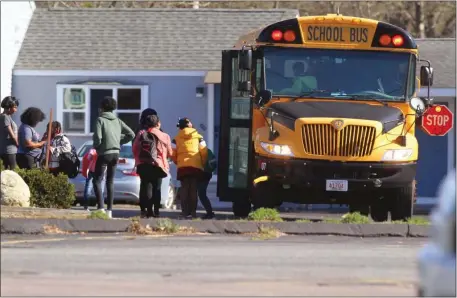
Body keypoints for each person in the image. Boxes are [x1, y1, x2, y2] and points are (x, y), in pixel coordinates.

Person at [92, 96, 135, 219]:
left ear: (102, 108)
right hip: (115, 154)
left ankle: (100, 208)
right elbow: (131, 134)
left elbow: (98, 138)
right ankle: (109, 211)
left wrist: (97, 146)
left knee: (97, 180)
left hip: (104, 153)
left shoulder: (100, 120)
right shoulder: (117, 120)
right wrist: (118, 141)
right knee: (110, 181)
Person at [133, 115, 173, 218]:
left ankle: (148, 211)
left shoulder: (141, 134)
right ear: (158, 123)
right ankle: (157, 211)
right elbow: (170, 153)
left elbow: (135, 149)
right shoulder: (165, 136)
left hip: (143, 164)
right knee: (157, 187)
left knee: (147, 187)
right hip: (158, 165)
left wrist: (138, 161)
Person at [172, 117, 208, 219]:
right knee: (193, 189)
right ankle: (193, 213)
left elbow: (172, 152)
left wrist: (177, 162)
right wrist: (202, 162)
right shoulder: (199, 137)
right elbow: (204, 151)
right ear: (189, 125)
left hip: (182, 166)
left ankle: (184, 212)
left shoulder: (176, 139)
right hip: (196, 166)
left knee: (184, 188)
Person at [0, 96, 19, 169]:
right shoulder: (5, 117)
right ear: (9, 107)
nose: (16, 110)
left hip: (5, 150)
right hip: (9, 151)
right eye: (15, 107)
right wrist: (18, 144)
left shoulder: (4, 117)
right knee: (11, 174)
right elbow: (12, 135)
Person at [197, 147, 217, 219]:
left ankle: (209, 212)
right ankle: (209, 212)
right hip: (207, 174)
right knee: (201, 194)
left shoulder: (195, 151)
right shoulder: (208, 151)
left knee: (200, 194)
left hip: (201, 174)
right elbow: (214, 164)